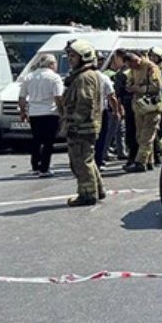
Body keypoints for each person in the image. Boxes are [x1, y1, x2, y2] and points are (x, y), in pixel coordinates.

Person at [59, 39, 105, 206]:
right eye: (69, 55)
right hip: (86, 126)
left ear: (84, 57)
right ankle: (97, 189)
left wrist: (74, 124)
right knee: (87, 159)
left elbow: (86, 102)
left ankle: (87, 194)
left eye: (73, 56)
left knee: (80, 161)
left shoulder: (84, 77)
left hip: (82, 127)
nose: (70, 59)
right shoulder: (83, 75)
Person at [19, 53, 64, 177]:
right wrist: (62, 112)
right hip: (50, 112)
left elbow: (22, 97)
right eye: (55, 63)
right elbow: (58, 97)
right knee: (48, 142)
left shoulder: (29, 77)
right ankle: (44, 168)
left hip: (34, 113)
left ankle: (35, 165)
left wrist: (23, 112)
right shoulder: (55, 78)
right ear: (51, 64)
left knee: (36, 139)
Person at [125, 50, 162, 172]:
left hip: (151, 106)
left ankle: (140, 162)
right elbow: (129, 81)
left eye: (133, 63)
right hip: (138, 106)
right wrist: (130, 86)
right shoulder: (132, 70)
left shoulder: (150, 67)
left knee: (147, 136)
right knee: (140, 136)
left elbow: (156, 86)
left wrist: (139, 88)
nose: (132, 67)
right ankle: (148, 161)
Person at [111, 49, 135, 165]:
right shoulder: (135, 70)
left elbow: (118, 92)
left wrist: (119, 107)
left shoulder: (122, 73)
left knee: (128, 131)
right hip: (137, 104)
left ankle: (132, 157)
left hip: (128, 104)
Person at [93, 63, 118, 169]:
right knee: (100, 137)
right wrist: (116, 110)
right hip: (100, 111)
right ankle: (98, 162)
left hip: (84, 112)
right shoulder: (103, 77)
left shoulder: (80, 77)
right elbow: (111, 96)